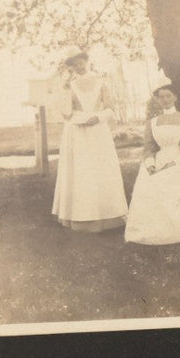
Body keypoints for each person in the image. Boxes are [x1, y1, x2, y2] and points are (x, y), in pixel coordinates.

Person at [51, 49, 128, 232]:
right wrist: (64, 92)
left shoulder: (101, 82)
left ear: (87, 61)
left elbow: (110, 108)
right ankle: (81, 217)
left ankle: (108, 215)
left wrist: (99, 118)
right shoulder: (70, 85)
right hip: (77, 132)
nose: (79, 66)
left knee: (101, 169)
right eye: (74, 64)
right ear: (71, 67)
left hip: (98, 131)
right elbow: (66, 113)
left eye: (81, 62)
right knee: (82, 171)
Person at [124, 84, 180, 245]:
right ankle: (153, 231)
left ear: (175, 97)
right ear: (157, 100)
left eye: (168, 96)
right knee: (146, 182)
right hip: (159, 159)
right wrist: (150, 164)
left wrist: (174, 162)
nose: (165, 100)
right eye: (161, 97)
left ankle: (174, 231)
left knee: (166, 182)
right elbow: (149, 148)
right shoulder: (153, 122)